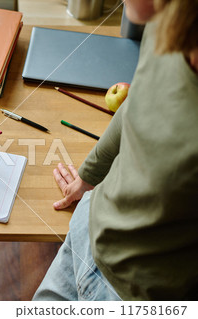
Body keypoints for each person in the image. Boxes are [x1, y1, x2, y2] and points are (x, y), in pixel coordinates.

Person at [33, 0, 198, 301]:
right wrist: (88, 176)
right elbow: (136, 103)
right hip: (86, 231)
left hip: (131, 294)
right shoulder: (167, 22)